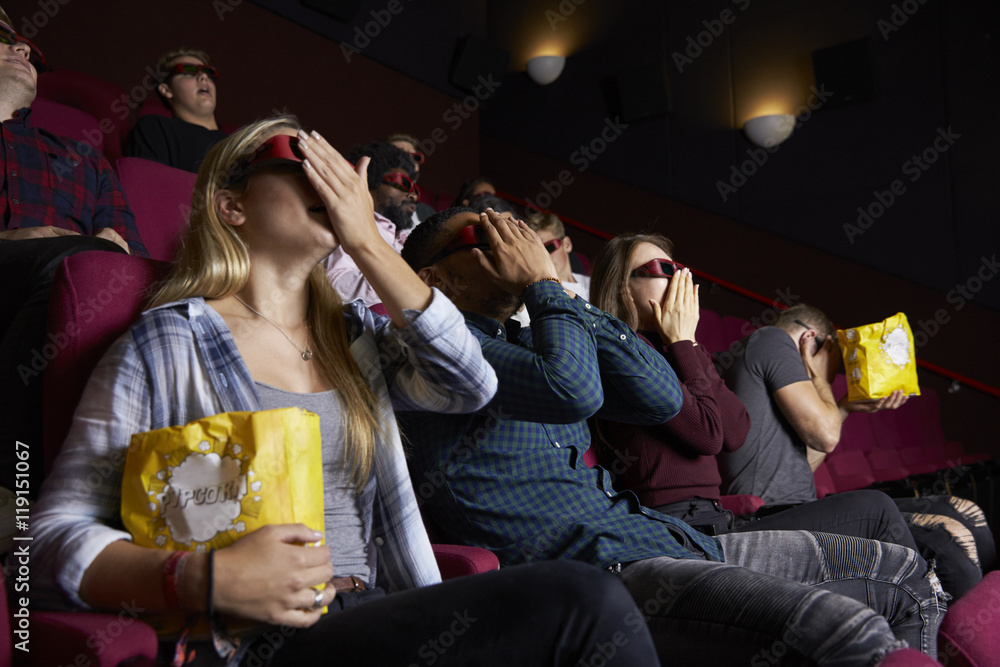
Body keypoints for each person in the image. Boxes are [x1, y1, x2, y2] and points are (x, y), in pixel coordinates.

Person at [30, 116, 662, 667]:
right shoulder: (169, 343)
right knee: (586, 602)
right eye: (297, 161)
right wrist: (201, 577)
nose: (327, 179)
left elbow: (470, 381)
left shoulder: (355, 339)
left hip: (378, 614)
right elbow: (47, 541)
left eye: (333, 168)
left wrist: (366, 241)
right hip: (257, 638)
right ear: (232, 205)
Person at [399, 207, 945, 664]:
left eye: (510, 228)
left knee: (905, 574)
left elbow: (684, 407)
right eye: (482, 235)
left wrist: (675, 337)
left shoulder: (542, 335)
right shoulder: (434, 354)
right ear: (432, 277)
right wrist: (547, 286)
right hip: (607, 569)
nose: (508, 242)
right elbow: (580, 393)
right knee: (850, 630)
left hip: (667, 539)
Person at [587, 232, 940, 552]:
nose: (679, 277)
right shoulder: (626, 357)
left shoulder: (682, 352)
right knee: (876, 510)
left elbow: (737, 430)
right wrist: (682, 340)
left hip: (716, 521)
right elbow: (709, 436)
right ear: (623, 289)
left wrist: (687, 343)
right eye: (662, 268)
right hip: (679, 532)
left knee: (899, 545)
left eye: (678, 267)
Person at [718, 302, 996, 598]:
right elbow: (825, 437)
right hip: (772, 515)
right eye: (832, 364)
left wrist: (846, 407)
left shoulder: (770, 377)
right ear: (809, 339)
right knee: (949, 538)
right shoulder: (772, 339)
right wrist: (820, 378)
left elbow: (806, 461)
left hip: (802, 504)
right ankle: (963, 635)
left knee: (966, 510)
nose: (827, 377)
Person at [0, 6, 146, 501]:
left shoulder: (82, 159)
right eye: (5, 40)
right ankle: (12, 489)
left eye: (31, 51)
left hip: (61, 297)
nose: (24, 50)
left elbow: (135, 261)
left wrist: (93, 253)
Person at [324, 141, 418, 306]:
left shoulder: (407, 237)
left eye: (414, 190)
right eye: (403, 183)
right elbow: (336, 286)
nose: (412, 196)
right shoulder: (348, 222)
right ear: (367, 181)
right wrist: (414, 282)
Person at [125, 47, 228, 173]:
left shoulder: (240, 141)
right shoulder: (155, 128)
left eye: (208, 72)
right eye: (189, 71)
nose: (203, 77)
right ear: (166, 90)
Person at [511, 211, 590, 327]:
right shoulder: (531, 289)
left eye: (549, 247)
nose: (544, 256)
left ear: (566, 244)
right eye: (536, 252)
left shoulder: (593, 284)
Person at [386, 132, 435, 223]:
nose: (409, 161)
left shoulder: (429, 213)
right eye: (400, 155)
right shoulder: (370, 204)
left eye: (415, 157)